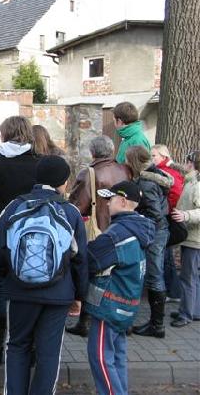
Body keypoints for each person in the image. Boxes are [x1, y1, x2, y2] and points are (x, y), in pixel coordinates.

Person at [0, 155, 88, 395]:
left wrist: (4, 281)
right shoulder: (70, 212)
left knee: (17, 346)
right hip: (58, 294)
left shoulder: (15, 206)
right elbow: (81, 260)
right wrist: (79, 295)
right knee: (49, 352)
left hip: (20, 291)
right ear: (63, 182)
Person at [0, 115, 39, 366]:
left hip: (0, 234)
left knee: (0, 291)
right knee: (30, 291)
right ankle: (28, 351)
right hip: (33, 234)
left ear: (4, 134)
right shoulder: (39, 163)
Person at [86, 181, 155, 395]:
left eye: (110, 199)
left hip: (109, 305)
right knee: (117, 356)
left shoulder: (117, 234)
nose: (106, 204)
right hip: (127, 304)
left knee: (100, 357)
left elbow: (91, 259)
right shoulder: (140, 228)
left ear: (123, 201)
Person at [67, 136, 132, 337]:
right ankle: (123, 321)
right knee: (120, 274)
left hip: (98, 230)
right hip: (123, 227)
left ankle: (86, 322)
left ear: (92, 152)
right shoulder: (125, 170)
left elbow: (77, 205)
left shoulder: (89, 173)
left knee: (93, 273)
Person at [126, 146, 173, 338]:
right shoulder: (154, 175)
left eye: (129, 160)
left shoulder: (146, 182)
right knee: (154, 275)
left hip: (155, 233)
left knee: (154, 276)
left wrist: (139, 218)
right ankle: (156, 324)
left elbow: (155, 213)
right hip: (159, 232)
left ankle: (157, 326)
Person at [151, 144, 185, 303]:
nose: (152, 159)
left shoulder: (167, 173)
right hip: (167, 217)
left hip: (168, 218)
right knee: (166, 255)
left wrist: (166, 209)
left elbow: (176, 194)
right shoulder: (165, 171)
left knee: (166, 256)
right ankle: (173, 290)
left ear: (163, 157)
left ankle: (172, 290)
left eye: (154, 156)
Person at [170, 150, 200, 327]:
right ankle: (193, 310)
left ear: (192, 163)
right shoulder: (191, 182)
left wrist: (185, 215)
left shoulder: (197, 185)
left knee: (188, 277)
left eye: (187, 161)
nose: (185, 164)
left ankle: (186, 314)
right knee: (194, 277)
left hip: (195, 239)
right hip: (192, 237)